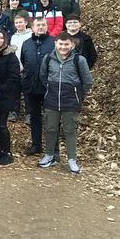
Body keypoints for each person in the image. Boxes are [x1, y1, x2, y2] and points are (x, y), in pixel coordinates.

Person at [38, 32, 93, 173]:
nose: (63, 47)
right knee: (50, 129)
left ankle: (71, 159)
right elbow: (43, 77)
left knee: (70, 131)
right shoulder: (48, 59)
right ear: (55, 44)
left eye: (66, 44)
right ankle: (49, 155)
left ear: (72, 45)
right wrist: (50, 89)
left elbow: (87, 81)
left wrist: (78, 95)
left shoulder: (79, 60)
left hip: (71, 101)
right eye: (60, 44)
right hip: (51, 100)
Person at [20, 18, 56, 155]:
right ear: (33, 28)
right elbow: (24, 61)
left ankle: (52, 148)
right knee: (34, 117)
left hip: (49, 87)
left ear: (47, 27)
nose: (40, 27)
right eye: (37, 25)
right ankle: (36, 145)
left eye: (43, 25)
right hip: (30, 87)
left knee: (51, 118)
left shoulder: (53, 42)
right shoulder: (26, 44)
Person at [0, 30, 20, 165]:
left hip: (5, 96)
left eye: (1, 38)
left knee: (1, 124)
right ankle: (0, 150)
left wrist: (0, 89)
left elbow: (13, 78)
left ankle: (7, 153)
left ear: (5, 40)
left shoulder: (10, 56)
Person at [8, 12, 33, 122]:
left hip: (27, 68)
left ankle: (29, 113)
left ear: (26, 23)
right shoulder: (13, 36)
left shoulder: (31, 35)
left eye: (20, 22)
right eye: (16, 22)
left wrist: (26, 66)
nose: (18, 24)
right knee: (14, 91)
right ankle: (14, 112)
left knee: (27, 92)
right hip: (15, 68)